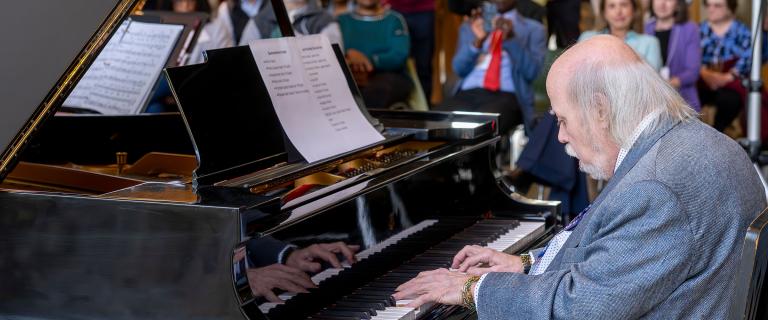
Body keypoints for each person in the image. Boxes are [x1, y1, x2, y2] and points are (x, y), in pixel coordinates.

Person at [393, 35, 766, 319]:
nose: (560, 136)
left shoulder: (656, 187)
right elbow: (620, 258)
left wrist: (473, 288)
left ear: (600, 109)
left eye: (562, 119)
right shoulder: (691, 140)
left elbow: (581, 305)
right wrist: (528, 264)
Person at [439, 0, 546, 133]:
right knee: (438, 122)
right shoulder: (471, 25)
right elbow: (459, 69)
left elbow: (532, 73)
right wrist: (477, 42)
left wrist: (511, 40)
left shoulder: (533, 29)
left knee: (479, 129)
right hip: (468, 92)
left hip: (506, 95)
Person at [338, 0, 412, 108]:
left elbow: (399, 55)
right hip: (350, 74)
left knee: (377, 92)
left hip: (388, 75)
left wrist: (368, 61)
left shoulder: (394, 19)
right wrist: (350, 62)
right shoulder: (341, 20)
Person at [698, 0, 751, 132]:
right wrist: (706, 74)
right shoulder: (699, 29)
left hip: (730, 81)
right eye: (708, 5)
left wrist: (726, 78)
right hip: (702, 80)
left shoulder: (743, 31)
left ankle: (716, 135)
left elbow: (748, 58)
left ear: (730, 8)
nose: (711, 9)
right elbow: (690, 58)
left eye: (717, 5)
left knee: (730, 100)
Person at [644, 0, 701, 111]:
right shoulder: (645, 28)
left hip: (682, 98)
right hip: (649, 100)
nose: (662, 3)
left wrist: (665, 87)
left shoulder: (690, 29)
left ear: (678, 4)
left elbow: (692, 72)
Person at [580, 0, 662, 71]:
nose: (618, 11)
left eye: (624, 5)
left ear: (634, 10)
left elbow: (652, 84)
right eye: (612, 6)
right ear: (604, 12)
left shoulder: (650, 42)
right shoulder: (587, 38)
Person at [384, 0, 435, 101]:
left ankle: (424, 107)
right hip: (393, 8)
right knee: (395, 64)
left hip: (423, 10)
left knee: (424, 65)